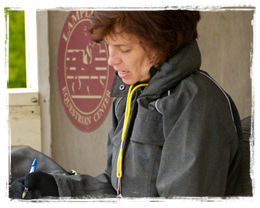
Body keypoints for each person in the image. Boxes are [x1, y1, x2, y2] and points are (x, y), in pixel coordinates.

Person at [11, 3, 244, 205]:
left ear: (163, 44)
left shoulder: (194, 103)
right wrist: (58, 189)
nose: (111, 59)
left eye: (124, 48)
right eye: (108, 46)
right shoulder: (132, 94)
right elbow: (119, 190)